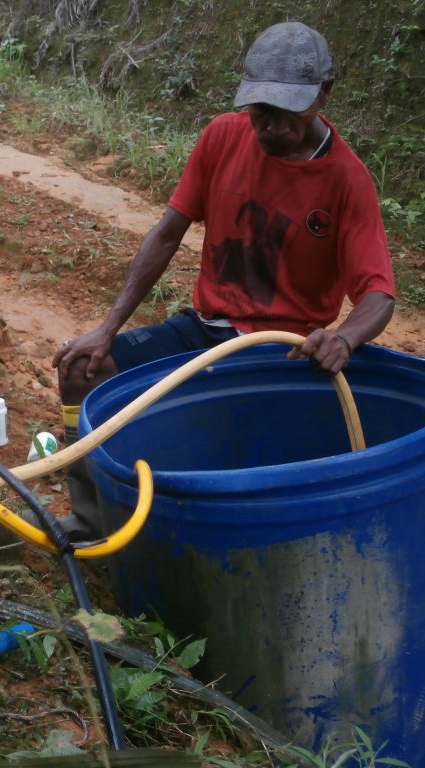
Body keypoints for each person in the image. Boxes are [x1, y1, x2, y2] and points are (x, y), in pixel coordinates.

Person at [52, 22, 395, 538]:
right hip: (205, 330)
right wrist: (107, 328)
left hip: (279, 354)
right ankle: (91, 523)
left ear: (323, 95)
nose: (272, 127)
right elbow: (167, 234)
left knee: (236, 453)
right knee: (82, 370)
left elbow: (379, 293)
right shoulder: (223, 136)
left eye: (289, 113)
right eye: (261, 112)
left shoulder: (348, 181)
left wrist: (344, 338)